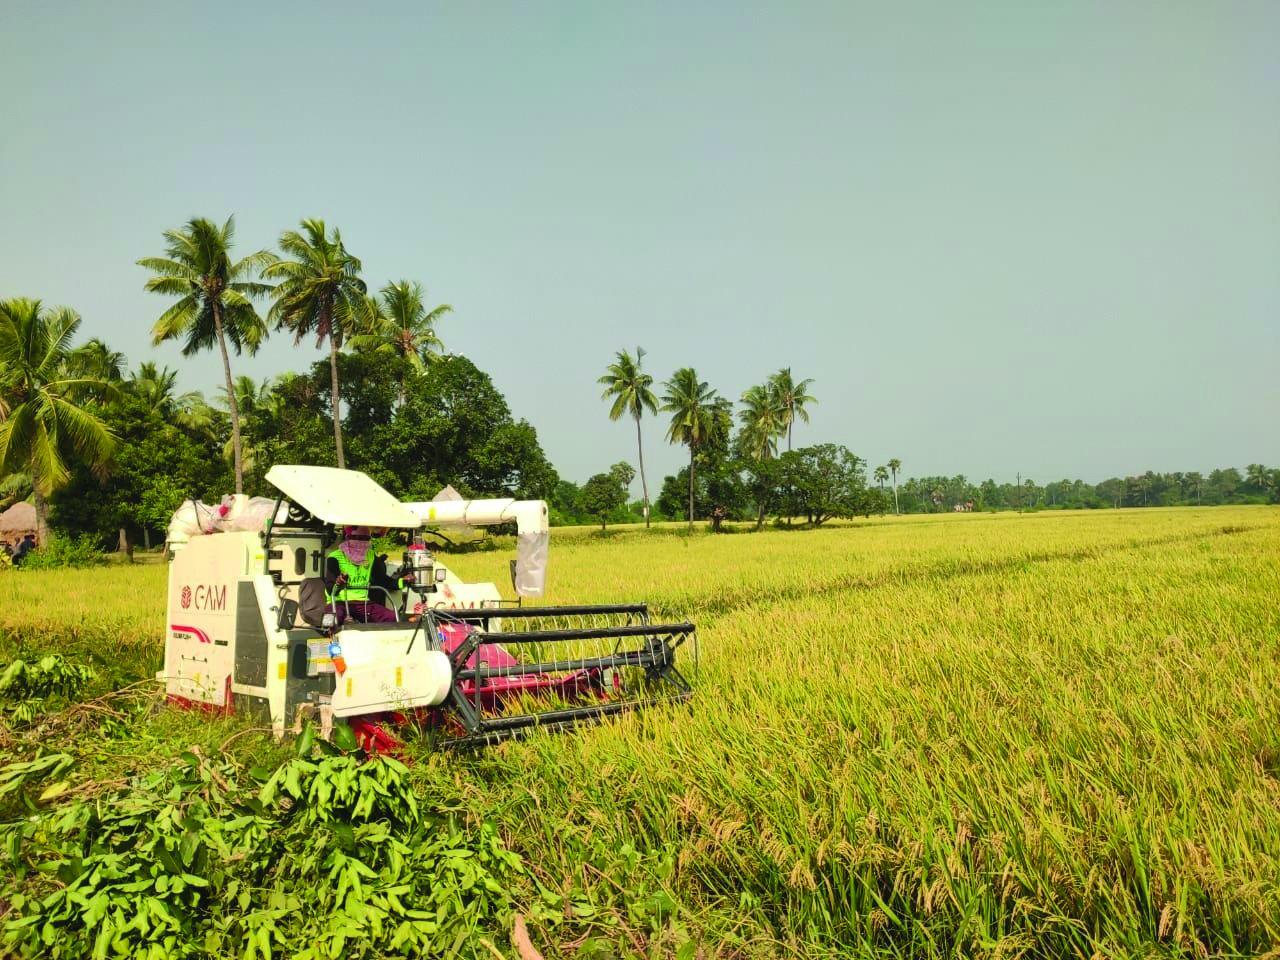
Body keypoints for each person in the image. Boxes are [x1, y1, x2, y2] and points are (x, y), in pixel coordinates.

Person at [323, 526, 413, 624]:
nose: (362, 542)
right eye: (358, 538)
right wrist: (339, 583)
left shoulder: (370, 555)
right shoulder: (335, 557)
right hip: (339, 602)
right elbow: (330, 588)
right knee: (332, 619)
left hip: (363, 603)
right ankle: (332, 636)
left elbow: (382, 580)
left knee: (392, 617)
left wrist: (403, 581)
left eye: (366, 539)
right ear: (348, 538)